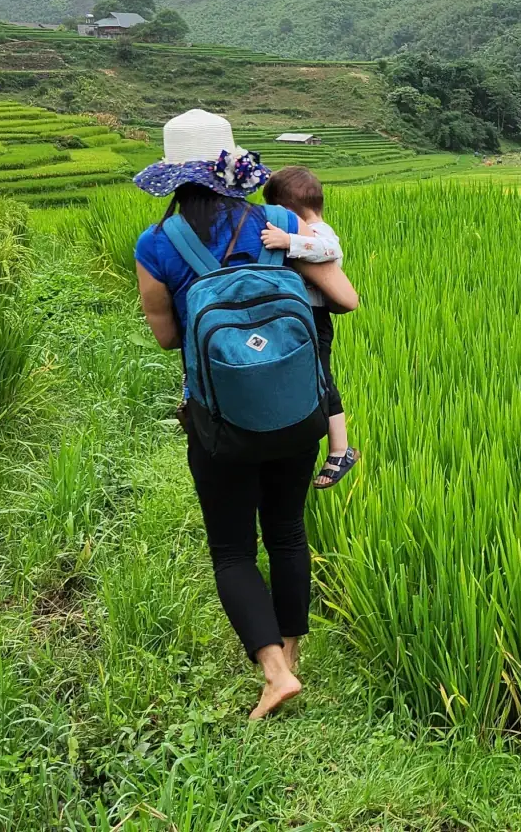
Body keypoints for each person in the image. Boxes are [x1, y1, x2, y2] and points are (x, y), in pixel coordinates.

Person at [129, 109, 360, 720]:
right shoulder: (279, 222)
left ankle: (275, 672)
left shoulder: (157, 244)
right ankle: (291, 653)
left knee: (232, 550)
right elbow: (342, 295)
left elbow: (167, 337)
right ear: (232, 168)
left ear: (174, 177)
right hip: (297, 411)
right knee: (287, 532)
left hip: (219, 422)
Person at [261, 166, 359, 489]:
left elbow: (331, 252)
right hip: (300, 317)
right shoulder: (307, 229)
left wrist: (288, 240)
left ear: (286, 209)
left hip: (316, 319)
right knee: (308, 380)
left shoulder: (319, 231)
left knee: (322, 379)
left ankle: (341, 450)